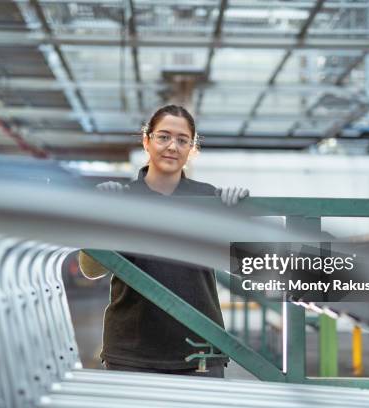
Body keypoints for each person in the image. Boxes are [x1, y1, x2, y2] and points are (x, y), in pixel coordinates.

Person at [78, 105, 248, 378]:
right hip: (132, 352)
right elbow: (91, 269)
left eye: (182, 140)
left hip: (200, 348)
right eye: (164, 137)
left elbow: (241, 262)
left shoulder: (208, 199)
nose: (172, 146)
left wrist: (236, 213)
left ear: (192, 149)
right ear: (147, 141)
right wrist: (102, 214)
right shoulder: (123, 198)